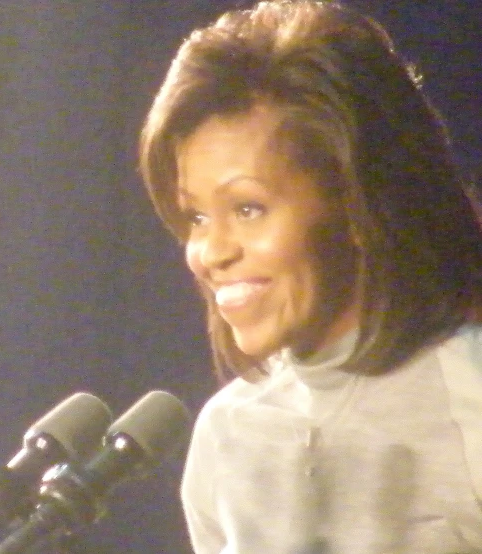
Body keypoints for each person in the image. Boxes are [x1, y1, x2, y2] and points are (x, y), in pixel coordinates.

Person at [138, 1, 482, 553]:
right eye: (197, 216)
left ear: (355, 205)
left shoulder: (469, 395)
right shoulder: (228, 434)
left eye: (248, 209)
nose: (210, 252)